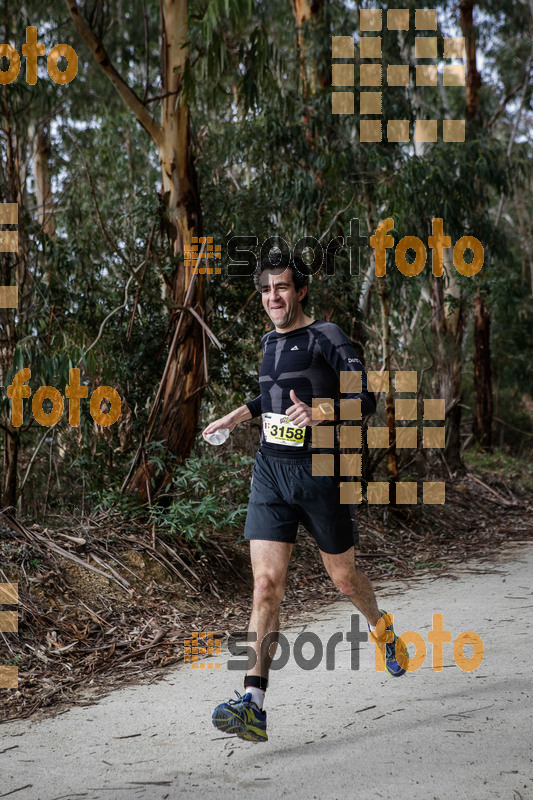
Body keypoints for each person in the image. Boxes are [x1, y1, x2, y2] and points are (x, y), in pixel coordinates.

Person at [202, 253, 409, 743]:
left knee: (343, 579)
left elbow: (366, 401)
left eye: (283, 288)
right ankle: (253, 703)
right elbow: (269, 397)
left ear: (300, 291)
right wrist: (236, 418)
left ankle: (382, 629)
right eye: (267, 290)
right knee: (265, 586)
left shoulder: (329, 337)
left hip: (323, 472)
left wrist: (321, 411)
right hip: (271, 472)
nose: (274, 297)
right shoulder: (268, 341)